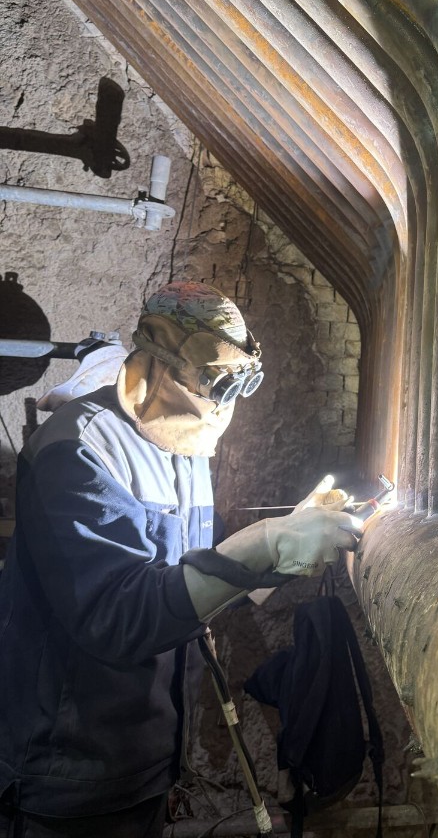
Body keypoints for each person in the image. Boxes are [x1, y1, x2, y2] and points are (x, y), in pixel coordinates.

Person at [0, 281, 361, 837]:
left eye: (240, 384)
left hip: (146, 761)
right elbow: (119, 617)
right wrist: (261, 544)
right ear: (158, 355)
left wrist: (283, 552)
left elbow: (188, 583)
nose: (223, 402)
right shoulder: (78, 451)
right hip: (68, 774)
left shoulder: (182, 449)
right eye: (216, 380)